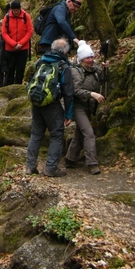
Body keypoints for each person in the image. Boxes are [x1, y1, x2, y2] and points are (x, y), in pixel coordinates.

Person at [26, 38, 74, 177]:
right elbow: (69, 92)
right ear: (65, 51)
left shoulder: (41, 61)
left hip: (36, 101)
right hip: (51, 104)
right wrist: (69, 114)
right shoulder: (62, 66)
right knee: (57, 133)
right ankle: (51, 168)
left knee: (36, 134)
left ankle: (30, 166)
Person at [65, 40, 106, 175]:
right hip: (78, 107)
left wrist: (106, 68)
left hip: (90, 106)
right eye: (87, 58)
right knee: (89, 133)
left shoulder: (95, 68)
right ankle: (92, 163)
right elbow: (75, 91)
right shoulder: (75, 71)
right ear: (81, 59)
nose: (90, 60)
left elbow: (104, 79)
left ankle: (70, 159)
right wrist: (92, 94)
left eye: (92, 57)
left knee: (79, 133)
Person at [1, 0, 33, 85]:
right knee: (10, 71)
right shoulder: (7, 17)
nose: (15, 12)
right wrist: (14, 44)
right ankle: (8, 88)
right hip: (10, 49)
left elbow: (30, 31)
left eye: (17, 10)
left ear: (20, 9)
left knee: (20, 70)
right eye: (14, 10)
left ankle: (18, 87)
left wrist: (21, 43)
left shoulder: (26, 16)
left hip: (23, 49)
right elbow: (4, 33)